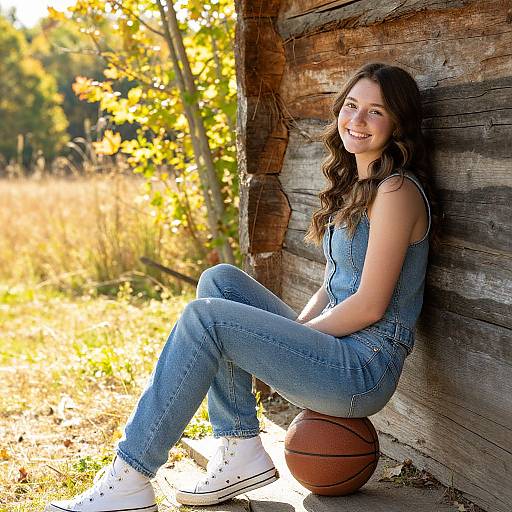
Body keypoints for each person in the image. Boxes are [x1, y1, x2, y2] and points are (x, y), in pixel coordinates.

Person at [45, 61, 440, 512]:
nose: (357, 120)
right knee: (220, 282)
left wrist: (297, 341)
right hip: (336, 352)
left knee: (206, 318)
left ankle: (131, 473)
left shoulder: (396, 193)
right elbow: (334, 286)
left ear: (398, 124)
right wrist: (289, 338)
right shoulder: (358, 186)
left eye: (375, 112)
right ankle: (239, 448)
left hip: (362, 369)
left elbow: (369, 306)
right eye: (351, 106)